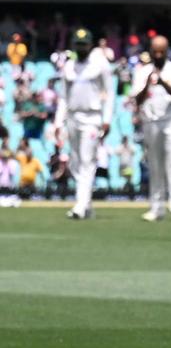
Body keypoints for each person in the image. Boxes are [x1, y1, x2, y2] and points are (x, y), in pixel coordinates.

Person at [53, 28, 113, 220]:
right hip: (73, 117)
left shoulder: (100, 64)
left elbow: (109, 93)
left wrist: (107, 119)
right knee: (76, 162)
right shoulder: (69, 66)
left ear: (90, 45)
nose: (81, 48)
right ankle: (86, 205)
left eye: (84, 44)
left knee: (87, 160)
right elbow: (63, 96)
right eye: (78, 45)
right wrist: (58, 122)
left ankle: (79, 205)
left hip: (92, 118)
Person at [133, 35, 171, 222]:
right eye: (155, 51)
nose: (158, 54)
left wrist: (163, 82)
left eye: (161, 51)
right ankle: (156, 207)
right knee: (155, 166)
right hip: (151, 121)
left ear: (167, 51)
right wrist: (149, 82)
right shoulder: (142, 71)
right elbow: (137, 99)